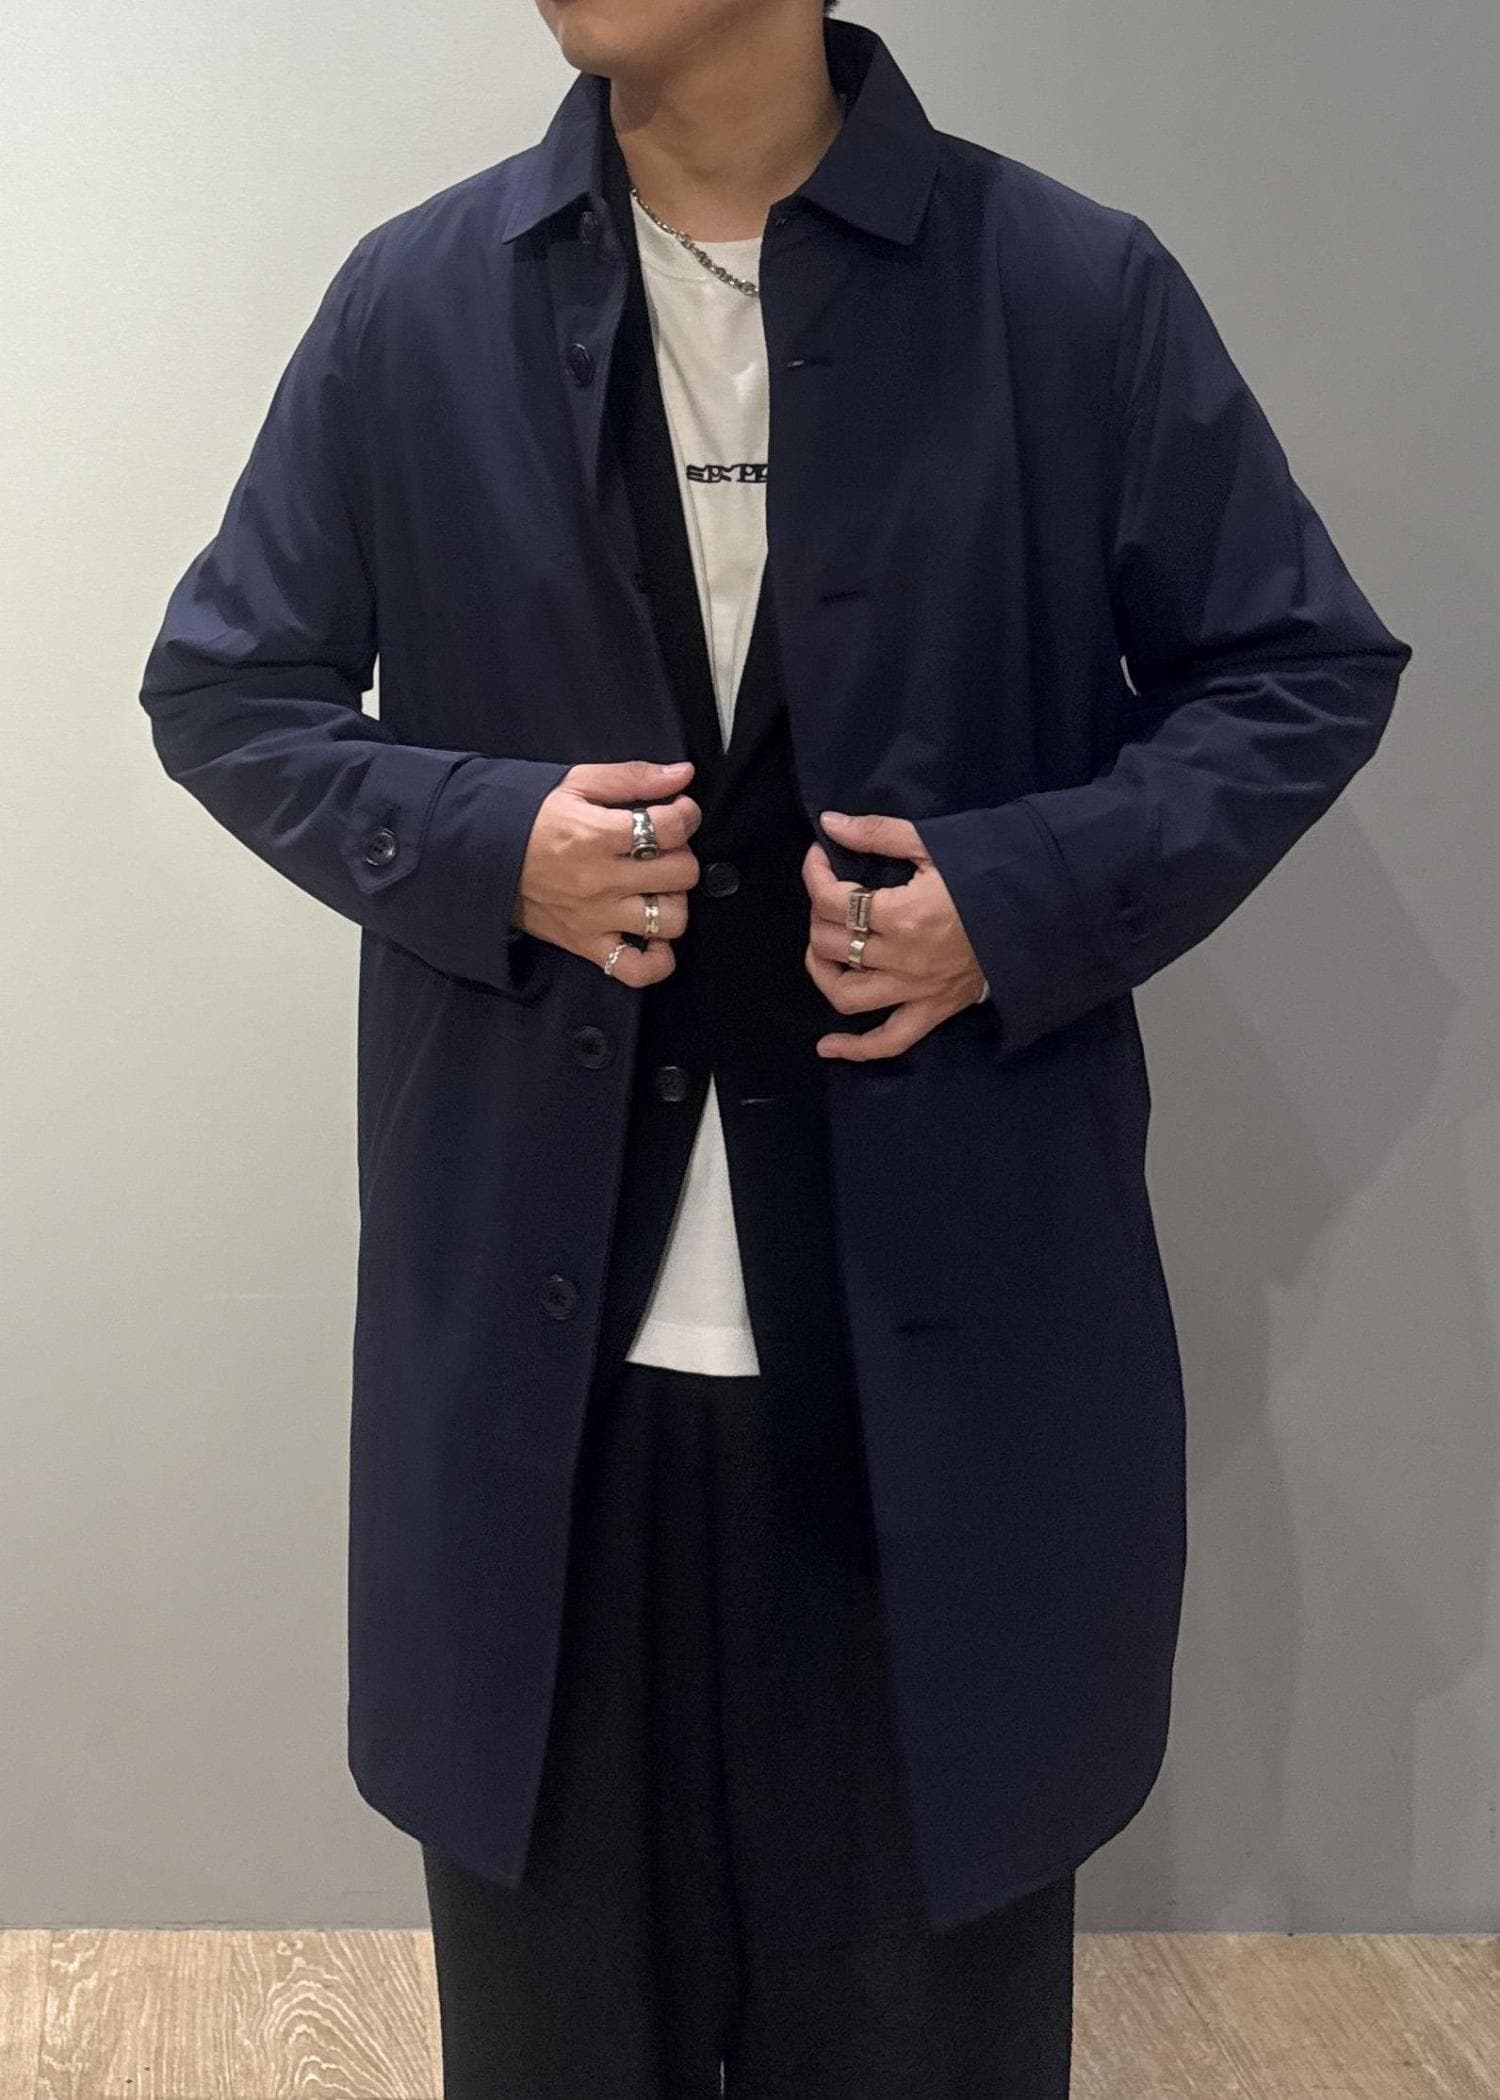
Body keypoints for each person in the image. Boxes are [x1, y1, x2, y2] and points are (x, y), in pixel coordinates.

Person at [138, 2, 1413, 2093]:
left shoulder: (1067, 292)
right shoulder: (420, 304)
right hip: (542, 1417)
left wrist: (1018, 899)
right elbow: (227, 687)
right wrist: (489, 846)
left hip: (953, 1407)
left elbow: (1296, 665)